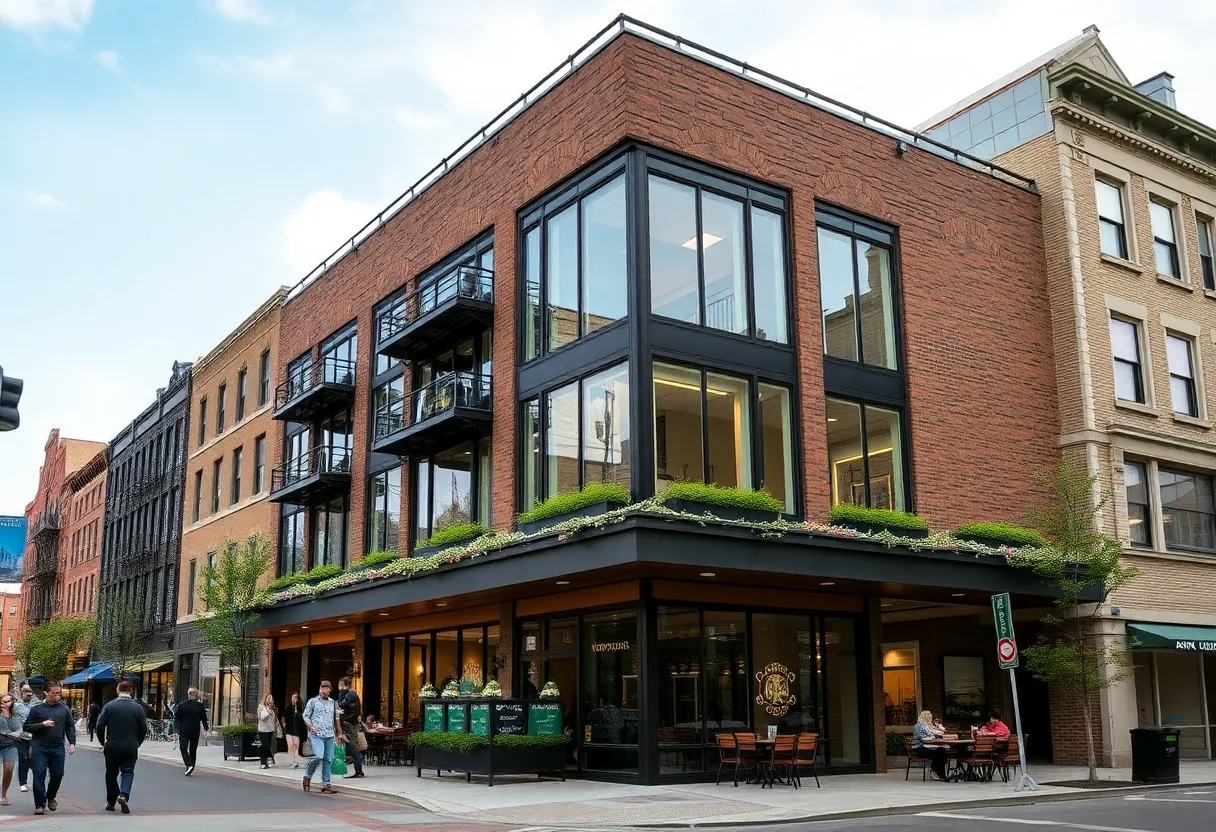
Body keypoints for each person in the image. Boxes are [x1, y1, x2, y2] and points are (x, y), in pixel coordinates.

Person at [22, 683, 75, 815]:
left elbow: (70, 726)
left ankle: (51, 796)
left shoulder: (64, 709)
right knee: (39, 775)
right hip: (40, 746)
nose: (57, 696)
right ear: (47, 693)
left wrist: (72, 742)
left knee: (58, 774)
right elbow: (27, 727)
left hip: (57, 746)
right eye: (54, 693)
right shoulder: (37, 709)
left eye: (59, 694)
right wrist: (42, 724)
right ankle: (39, 804)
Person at [96, 680, 147, 814]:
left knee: (111, 774)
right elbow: (143, 728)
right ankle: (123, 794)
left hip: (112, 745)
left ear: (118, 691)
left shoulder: (109, 706)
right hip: (130, 745)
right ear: (131, 691)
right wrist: (138, 742)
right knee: (128, 772)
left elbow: (100, 726)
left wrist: (103, 742)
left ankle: (111, 802)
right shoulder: (138, 708)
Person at [301, 680, 341, 794]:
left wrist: (339, 734)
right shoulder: (312, 701)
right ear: (320, 689)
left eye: (327, 688)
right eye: (323, 688)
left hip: (329, 734)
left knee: (328, 759)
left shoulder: (334, 703)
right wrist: (311, 726)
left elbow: (337, 719)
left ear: (330, 690)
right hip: (317, 734)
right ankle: (307, 776)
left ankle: (326, 784)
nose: (325, 690)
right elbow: (305, 716)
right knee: (318, 755)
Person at [174, 687, 210, 775]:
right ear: (191, 694)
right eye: (194, 693)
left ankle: (189, 766)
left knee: (185, 748)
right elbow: (204, 719)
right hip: (193, 730)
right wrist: (206, 729)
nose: (195, 695)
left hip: (185, 730)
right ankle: (191, 766)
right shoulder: (198, 705)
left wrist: (177, 731)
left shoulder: (182, 705)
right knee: (191, 749)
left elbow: (177, 719)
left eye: (195, 693)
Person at [336, 676, 364, 779]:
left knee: (352, 747)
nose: (339, 688)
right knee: (349, 746)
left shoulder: (350, 694)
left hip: (350, 725)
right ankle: (358, 768)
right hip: (348, 724)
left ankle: (358, 769)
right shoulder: (348, 694)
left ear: (344, 685)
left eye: (340, 685)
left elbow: (341, 705)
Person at [912, 710, 950, 782]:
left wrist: (940, 727)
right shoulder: (918, 726)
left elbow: (941, 733)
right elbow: (923, 739)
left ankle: (937, 772)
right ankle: (939, 773)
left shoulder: (928, 726)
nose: (929, 716)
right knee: (940, 753)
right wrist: (935, 738)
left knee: (942, 751)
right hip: (919, 748)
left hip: (929, 746)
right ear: (923, 716)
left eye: (930, 715)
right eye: (927, 715)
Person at [12, 685, 38, 793]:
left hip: (35, 735)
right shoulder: (16, 705)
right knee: (24, 758)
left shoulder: (36, 704)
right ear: (21, 692)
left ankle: (37, 779)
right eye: (25, 691)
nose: (28, 693)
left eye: (29, 691)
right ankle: (23, 782)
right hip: (22, 735)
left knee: (34, 759)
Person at [0, 693, 24, 805]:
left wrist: (13, 734)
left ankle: (4, 795)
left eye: (8, 701)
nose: (5, 704)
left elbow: (19, 730)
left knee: (9, 770)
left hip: (10, 745)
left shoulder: (14, 717)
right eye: (3, 701)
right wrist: (11, 733)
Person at [282, 692, 306, 768]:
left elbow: (303, 719)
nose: (294, 699)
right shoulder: (288, 707)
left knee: (296, 746)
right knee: (290, 745)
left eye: (296, 697)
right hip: (289, 729)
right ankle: (292, 761)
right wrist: (284, 723)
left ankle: (295, 761)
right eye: (293, 697)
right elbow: (283, 717)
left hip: (297, 730)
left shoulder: (300, 709)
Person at [256, 694, 278, 769]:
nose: (270, 700)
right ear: (265, 699)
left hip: (270, 730)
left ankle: (265, 761)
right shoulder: (261, 707)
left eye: (271, 699)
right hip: (263, 729)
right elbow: (261, 717)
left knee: (268, 746)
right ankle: (263, 761)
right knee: (265, 745)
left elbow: (275, 719)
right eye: (268, 698)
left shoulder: (273, 708)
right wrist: (267, 710)